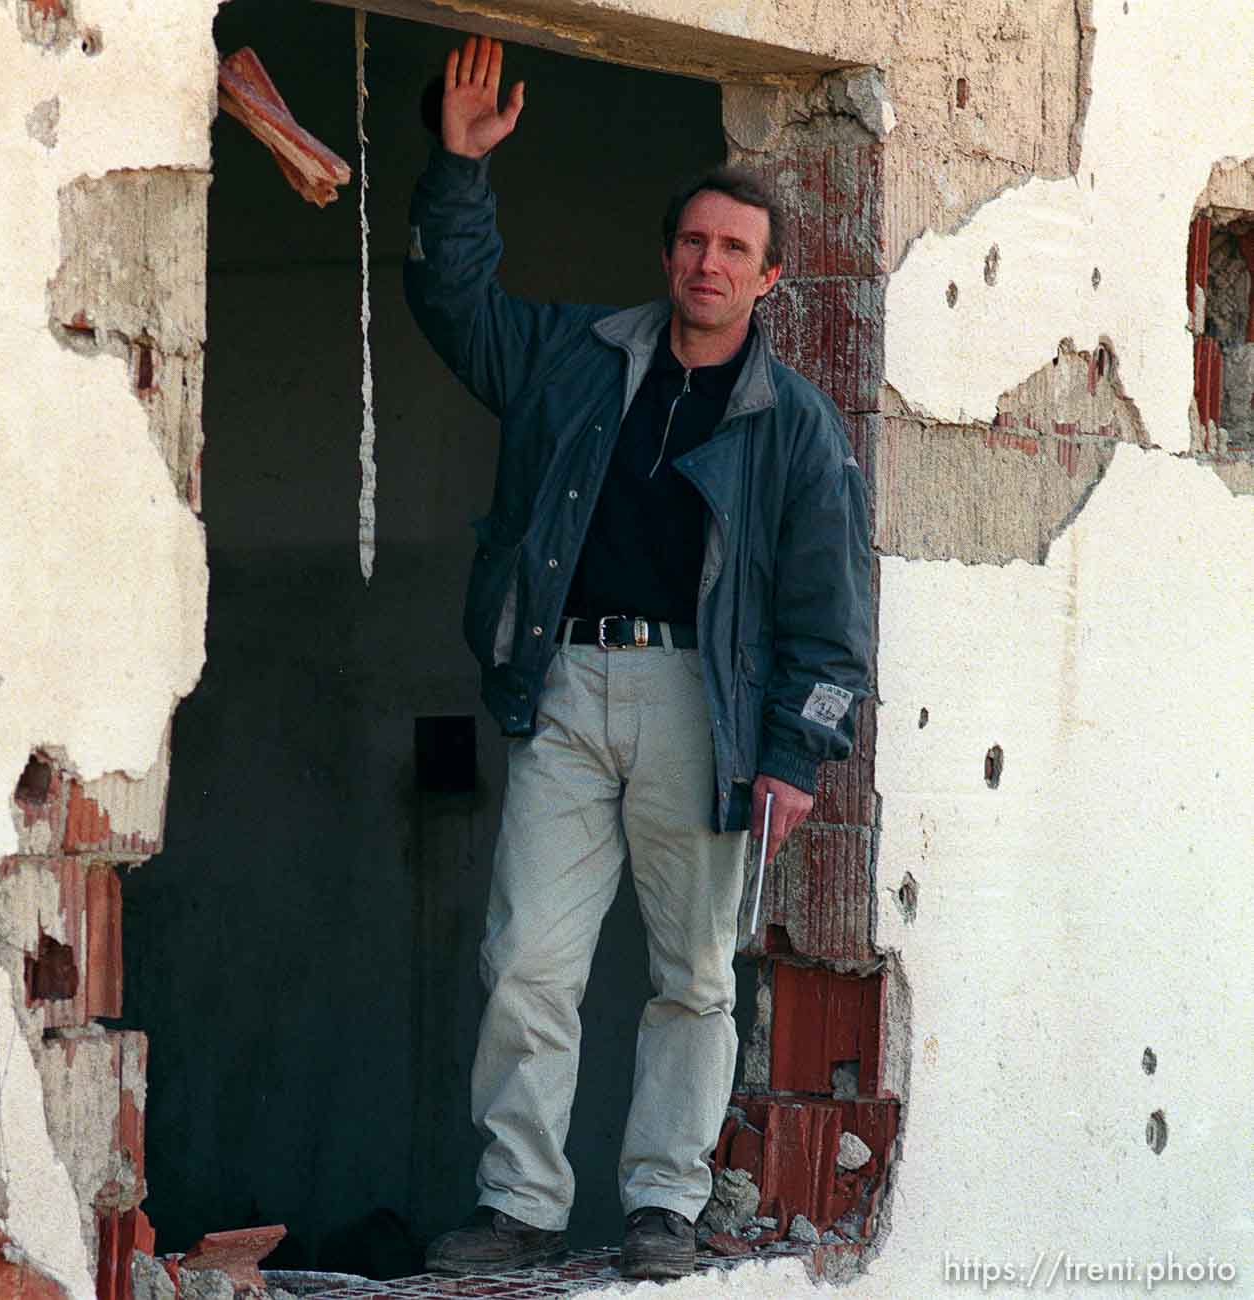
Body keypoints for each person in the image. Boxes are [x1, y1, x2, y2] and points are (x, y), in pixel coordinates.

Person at [405, 36, 873, 1282]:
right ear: (668, 254)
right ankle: (518, 1203)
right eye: (692, 242)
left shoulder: (795, 426)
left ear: (769, 277)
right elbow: (456, 311)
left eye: (733, 249)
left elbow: (832, 621)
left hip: (701, 709)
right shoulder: (578, 358)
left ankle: (664, 1199)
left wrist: (793, 754)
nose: (705, 263)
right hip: (566, 683)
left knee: (692, 973)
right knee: (527, 960)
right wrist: (459, 173)